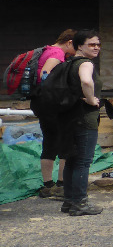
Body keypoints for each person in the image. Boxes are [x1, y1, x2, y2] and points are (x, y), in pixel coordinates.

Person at [57, 30, 104, 216]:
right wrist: (92, 99)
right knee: (83, 162)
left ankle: (69, 201)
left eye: (98, 44)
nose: (96, 47)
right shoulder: (85, 63)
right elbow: (86, 80)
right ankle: (80, 203)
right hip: (84, 119)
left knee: (72, 160)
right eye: (91, 44)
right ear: (79, 46)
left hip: (69, 119)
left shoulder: (69, 63)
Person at [32, 28, 75, 199]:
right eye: (76, 45)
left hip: (42, 103)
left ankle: (47, 184)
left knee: (49, 142)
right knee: (65, 141)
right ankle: (61, 185)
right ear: (69, 42)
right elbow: (45, 74)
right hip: (52, 104)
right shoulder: (57, 53)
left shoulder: (47, 49)